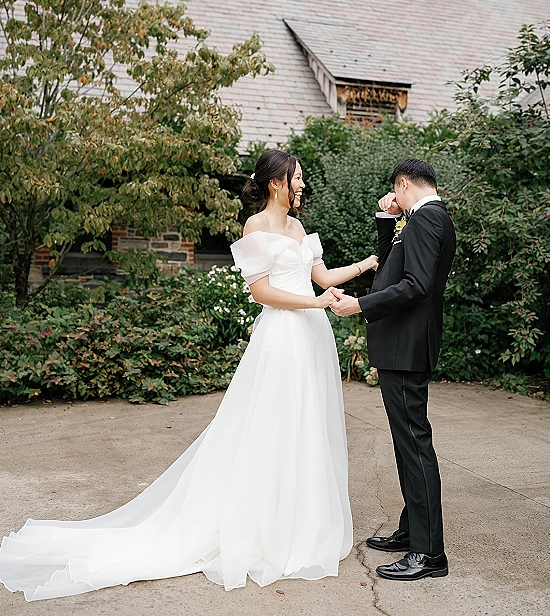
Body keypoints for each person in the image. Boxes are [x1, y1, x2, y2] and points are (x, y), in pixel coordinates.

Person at [0, 149, 378, 602]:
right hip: (281, 339)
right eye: (296, 179)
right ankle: (259, 527)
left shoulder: (299, 228)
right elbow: (263, 292)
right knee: (270, 427)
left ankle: (299, 524)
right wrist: (314, 304)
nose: (302, 185)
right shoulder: (255, 227)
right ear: (276, 182)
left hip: (313, 339)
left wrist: (367, 265)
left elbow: (320, 276)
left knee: (307, 428)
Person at [330, 158, 456, 581]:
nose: (394, 200)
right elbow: (390, 269)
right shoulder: (422, 219)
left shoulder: (428, 220)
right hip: (402, 347)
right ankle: (411, 530)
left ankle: (428, 553)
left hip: (406, 348)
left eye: (394, 194)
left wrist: (360, 305)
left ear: (403, 184)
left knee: (415, 447)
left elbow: (416, 285)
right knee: (408, 446)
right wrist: (388, 218)